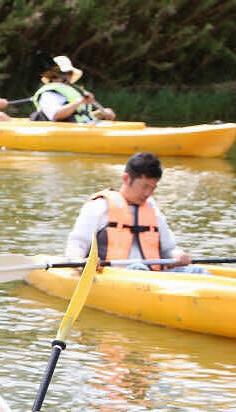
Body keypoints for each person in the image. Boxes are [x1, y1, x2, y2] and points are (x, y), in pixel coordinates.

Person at [65, 152, 206, 273]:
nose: (148, 193)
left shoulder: (153, 211)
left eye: (153, 187)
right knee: (137, 268)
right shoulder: (99, 206)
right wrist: (79, 262)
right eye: (144, 186)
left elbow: (169, 249)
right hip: (115, 276)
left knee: (197, 271)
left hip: (153, 276)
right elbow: (76, 246)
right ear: (126, 179)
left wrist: (178, 256)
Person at [31, 54, 116, 123]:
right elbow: (56, 115)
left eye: (70, 73)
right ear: (52, 76)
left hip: (81, 129)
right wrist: (79, 101)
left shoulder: (73, 92)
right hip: (63, 134)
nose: (67, 76)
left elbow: (80, 116)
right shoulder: (48, 93)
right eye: (64, 73)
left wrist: (100, 113)